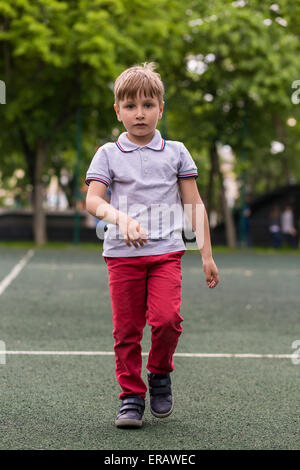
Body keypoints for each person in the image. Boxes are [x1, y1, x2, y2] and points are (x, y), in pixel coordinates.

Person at [85, 63, 219, 429]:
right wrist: (122, 220)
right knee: (126, 331)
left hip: (165, 254)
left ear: (161, 107)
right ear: (118, 111)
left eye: (147, 104)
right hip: (121, 258)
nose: (139, 113)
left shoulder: (176, 152)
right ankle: (130, 397)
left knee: (167, 320)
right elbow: (93, 202)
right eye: (130, 106)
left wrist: (206, 254)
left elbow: (194, 204)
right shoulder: (107, 154)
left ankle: (160, 373)